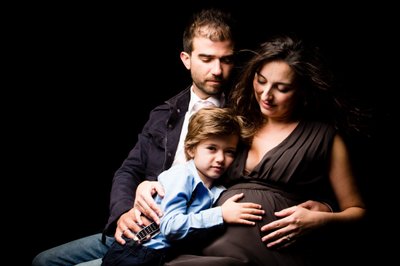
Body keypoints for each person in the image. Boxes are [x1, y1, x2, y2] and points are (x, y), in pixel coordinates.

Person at [32, 8, 331, 266]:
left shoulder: (245, 115)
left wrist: (325, 207)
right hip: (138, 223)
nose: (217, 70)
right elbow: (129, 169)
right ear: (186, 59)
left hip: (179, 237)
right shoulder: (164, 113)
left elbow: (281, 163)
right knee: (43, 260)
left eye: (226, 60)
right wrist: (124, 211)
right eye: (206, 58)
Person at [146, 34, 365, 265]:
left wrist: (320, 218)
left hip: (271, 251)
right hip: (207, 242)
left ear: (302, 90)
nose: (266, 95)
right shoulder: (237, 122)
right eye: (261, 81)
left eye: (281, 88)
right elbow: (191, 168)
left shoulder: (324, 137)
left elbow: (357, 211)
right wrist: (147, 184)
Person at [101, 107, 264, 266]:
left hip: (163, 256)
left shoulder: (217, 190)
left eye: (229, 151)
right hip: (136, 252)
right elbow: (171, 227)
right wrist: (221, 214)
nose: (220, 158)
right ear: (191, 149)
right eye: (211, 148)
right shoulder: (182, 176)